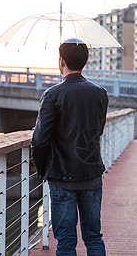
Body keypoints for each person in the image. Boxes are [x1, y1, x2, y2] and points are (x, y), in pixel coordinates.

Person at [31, 38, 108, 256]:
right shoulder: (99, 92)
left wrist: (43, 170)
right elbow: (98, 130)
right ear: (85, 62)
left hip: (61, 176)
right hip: (92, 173)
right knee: (93, 237)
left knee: (65, 241)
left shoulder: (52, 95)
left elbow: (40, 140)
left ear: (61, 60)